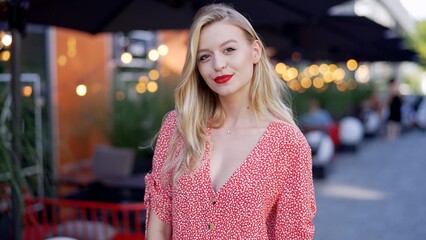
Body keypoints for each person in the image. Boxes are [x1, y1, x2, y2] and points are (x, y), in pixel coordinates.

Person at [144, 3, 316, 239]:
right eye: (205, 56)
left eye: (229, 50)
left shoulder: (287, 143)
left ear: (255, 51)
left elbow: (293, 234)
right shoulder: (178, 128)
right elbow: (159, 227)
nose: (218, 65)